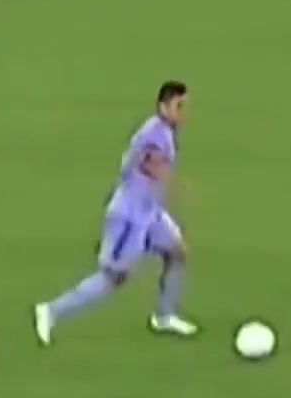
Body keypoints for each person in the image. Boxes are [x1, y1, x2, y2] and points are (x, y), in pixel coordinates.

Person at [34, 81, 198, 345]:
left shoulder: (164, 131)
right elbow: (150, 163)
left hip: (149, 212)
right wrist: (176, 184)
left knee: (177, 252)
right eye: (179, 106)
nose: (183, 113)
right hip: (129, 217)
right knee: (114, 279)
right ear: (163, 107)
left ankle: (165, 316)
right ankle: (51, 311)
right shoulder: (154, 133)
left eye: (185, 106)